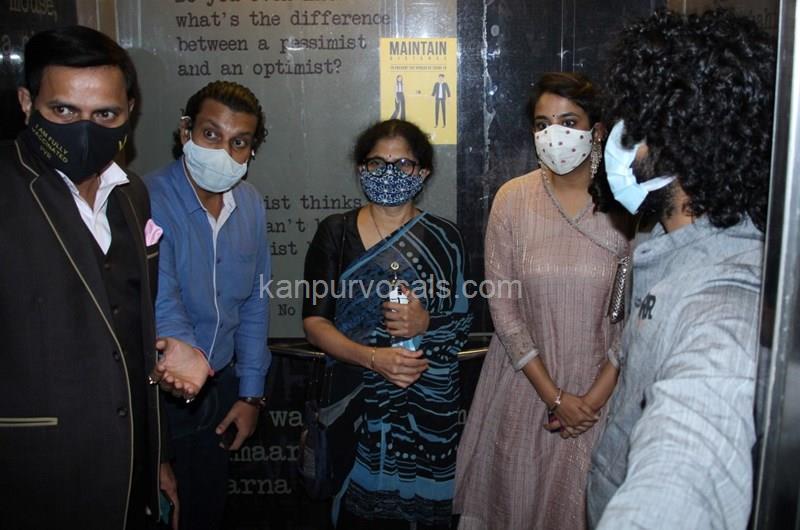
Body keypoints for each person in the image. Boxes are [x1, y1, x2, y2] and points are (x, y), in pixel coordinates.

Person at [0, 25, 210, 530]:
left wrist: (156, 457)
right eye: (63, 111)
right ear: (27, 103)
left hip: (131, 473)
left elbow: (131, 324)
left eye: (105, 115)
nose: (84, 129)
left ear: (130, 111)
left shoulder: (132, 193)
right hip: (31, 478)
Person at [586, 9, 775, 529]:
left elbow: (685, 474)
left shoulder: (721, 309)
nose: (613, 142)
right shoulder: (668, 252)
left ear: (672, 144)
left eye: (630, 127)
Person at [454, 72, 630, 530]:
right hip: (524, 388)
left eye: (569, 122)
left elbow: (634, 316)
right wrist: (554, 396)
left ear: (597, 130)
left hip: (601, 397)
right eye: (542, 124)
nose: (555, 134)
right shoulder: (512, 200)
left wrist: (588, 402)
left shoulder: (626, 205)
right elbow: (503, 308)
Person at [303, 119, 473, 529]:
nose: (389, 173)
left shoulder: (446, 239)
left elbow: (463, 320)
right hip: (353, 404)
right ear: (361, 169)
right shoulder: (336, 232)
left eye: (403, 164)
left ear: (423, 172)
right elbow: (314, 322)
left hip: (428, 414)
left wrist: (425, 321)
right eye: (377, 163)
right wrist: (373, 358)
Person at [144, 80, 271, 530]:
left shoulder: (250, 204)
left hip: (221, 390)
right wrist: (186, 363)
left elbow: (255, 301)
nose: (223, 151)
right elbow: (161, 297)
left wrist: (251, 393)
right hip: (161, 392)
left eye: (239, 142)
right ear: (186, 132)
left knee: (207, 511)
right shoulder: (146, 197)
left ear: (251, 150)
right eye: (211, 134)